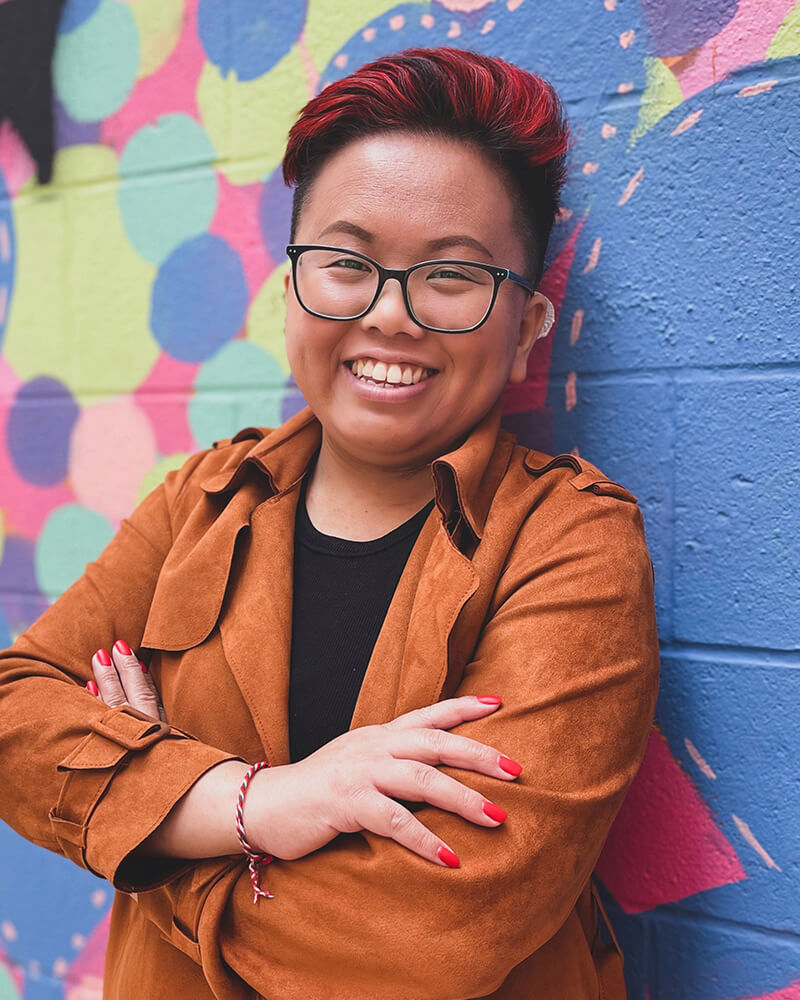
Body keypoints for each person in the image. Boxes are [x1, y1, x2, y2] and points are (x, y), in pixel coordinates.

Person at [0, 47, 659, 999]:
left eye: (452, 277)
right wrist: (256, 802)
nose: (390, 315)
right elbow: (16, 707)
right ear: (290, 285)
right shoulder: (202, 501)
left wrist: (160, 834)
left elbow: (439, 935)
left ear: (528, 325)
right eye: (348, 264)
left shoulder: (571, 547)